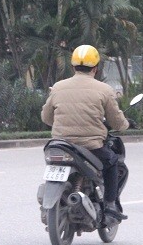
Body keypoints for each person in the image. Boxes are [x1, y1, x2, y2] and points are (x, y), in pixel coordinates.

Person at [41, 45, 129, 225]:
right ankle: (111, 205)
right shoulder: (104, 90)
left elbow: (46, 118)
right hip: (91, 147)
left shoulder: (58, 87)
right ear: (96, 68)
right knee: (112, 163)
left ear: (73, 67)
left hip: (59, 145)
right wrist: (125, 125)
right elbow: (116, 122)